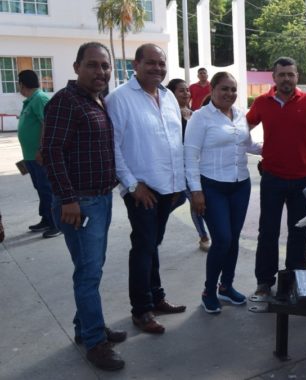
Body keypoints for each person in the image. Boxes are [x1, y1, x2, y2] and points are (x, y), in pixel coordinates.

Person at [42, 42, 125, 371]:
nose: (101, 72)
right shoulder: (66, 101)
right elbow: (51, 152)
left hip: (101, 198)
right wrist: (68, 199)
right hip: (79, 202)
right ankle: (94, 342)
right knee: (89, 274)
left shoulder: (98, 100)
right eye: (93, 65)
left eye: (105, 66)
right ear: (76, 67)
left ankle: (85, 326)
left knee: (92, 269)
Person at [106, 44, 186, 334]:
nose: (157, 68)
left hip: (168, 188)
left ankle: (157, 297)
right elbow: (112, 146)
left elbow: (176, 142)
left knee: (152, 245)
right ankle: (141, 309)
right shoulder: (119, 99)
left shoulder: (167, 96)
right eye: (150, 63)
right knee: (143, 247)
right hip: (142, 190)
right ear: (135, 64)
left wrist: (179, 184)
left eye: (161, 64)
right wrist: (132, 184)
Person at [184, 72, 262, 313]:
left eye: (233, 89)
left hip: (240, 184)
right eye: (224, 89)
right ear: (213, 89)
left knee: (234, 239)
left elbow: (246, 144)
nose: (229, 94)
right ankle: (209, 290)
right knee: (223, 240)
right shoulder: (200, 117)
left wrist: (274, 148)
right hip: (212, 186)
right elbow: (190, 154)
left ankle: (226, 287)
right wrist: (196, 191)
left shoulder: (239, 115)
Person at [245, 58, 306, 300]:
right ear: (274, 77)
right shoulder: (262, 103)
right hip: (272, 178)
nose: (286, 78)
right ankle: (264, 282)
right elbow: (242, 126)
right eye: (282, 75)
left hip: (303, 179)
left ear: (298, 77)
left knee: (299, 233)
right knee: (268, 231)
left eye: (291, 74)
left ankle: (295, 280)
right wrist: (258, 149)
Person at [167, 78, 211, 252]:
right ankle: (204, 236)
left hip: (196, 165)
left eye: (187, 90)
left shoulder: (193, 113)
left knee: (182, 199)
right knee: (195, 199)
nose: (186, 93)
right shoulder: (169, 115)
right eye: (181, 90)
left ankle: (156, 219)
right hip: (179, 166)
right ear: (171, 93)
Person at [17, 70, 61, 238]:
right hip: (30, 156)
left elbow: (47, 124)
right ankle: (46, 218)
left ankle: (56, 223)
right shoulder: (30, 101)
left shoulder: (39, 99)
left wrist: (41, 149)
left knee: (47, 189)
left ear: (22, 84)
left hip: (39, 156)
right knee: (40, 188)